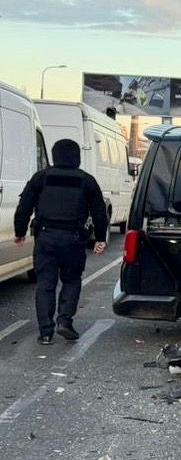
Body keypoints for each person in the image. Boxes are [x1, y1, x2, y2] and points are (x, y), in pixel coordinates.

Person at [14, 139, 108, 345]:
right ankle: (64, 321)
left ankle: (45, 332)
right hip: (73, 239)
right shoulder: (87, 180)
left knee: (45, 283)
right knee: (72, 280)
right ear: (77, 157)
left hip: (45, 237)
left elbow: (24, 206)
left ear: (54, 155)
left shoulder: (41, 178)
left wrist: (20, 232)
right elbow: (100, 213)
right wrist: (100, 238)